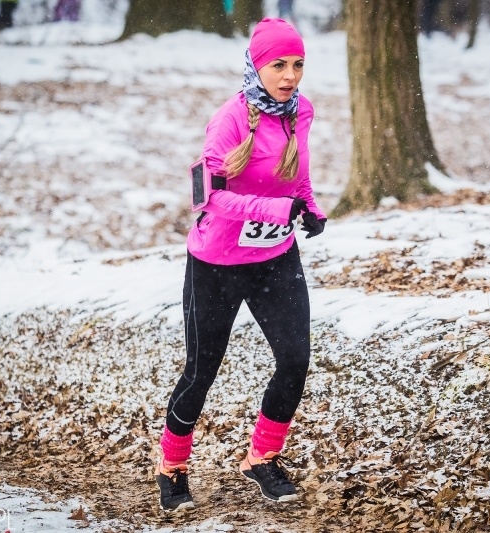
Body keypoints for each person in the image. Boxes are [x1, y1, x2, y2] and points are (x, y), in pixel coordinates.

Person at [156, 18, 327, 511]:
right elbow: (208, 199)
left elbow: (299, 176)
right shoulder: (228, 119)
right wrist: (276, 211)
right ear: (257, 66)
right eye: (279, 65)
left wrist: (309, 208)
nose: (290, 75)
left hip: (274, 256)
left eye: (297, 65)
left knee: (294, 359)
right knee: (201, 371)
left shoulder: (301, 112)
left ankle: (262, 458)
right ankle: (172, 465)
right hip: (217, 262)